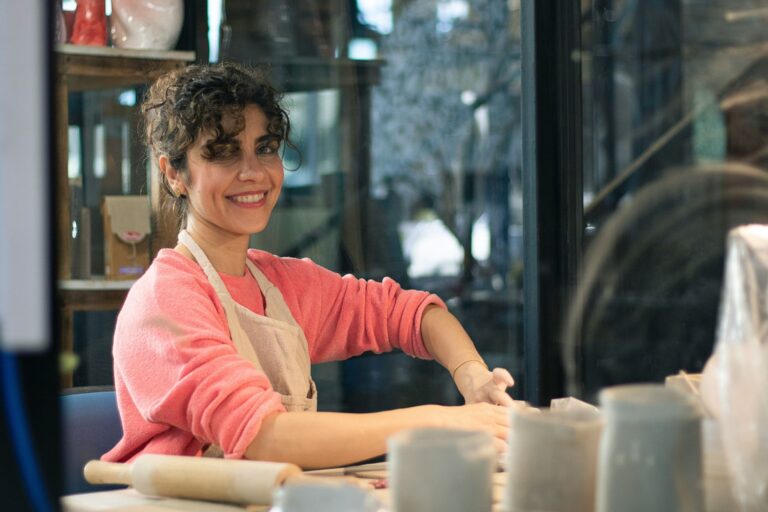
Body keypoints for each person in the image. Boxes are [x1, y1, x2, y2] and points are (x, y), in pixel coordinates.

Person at [103, 62, 515, 469]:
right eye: (223, 153)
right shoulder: (165, 302)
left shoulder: (285, 285)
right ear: (174, 173)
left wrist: (472, 376)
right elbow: (263, 438)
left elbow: (413, 312)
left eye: (264, 148)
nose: (252, 172)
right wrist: (440, 420)